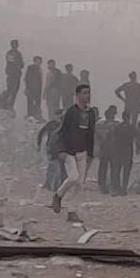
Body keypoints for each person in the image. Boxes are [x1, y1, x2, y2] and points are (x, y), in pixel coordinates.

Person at [52, 84, 96, 223]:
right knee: (73, 178)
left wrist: (90, 154)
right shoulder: (71, 112)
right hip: (69, 151)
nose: (86, 96)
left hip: (83, 152)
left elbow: (91, 134)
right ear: (77, 95)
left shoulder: (91, 113)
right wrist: (61, 150)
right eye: (84, 93)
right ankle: (58, 195)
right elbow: (62, 132)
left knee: (80, 184)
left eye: (88, 93)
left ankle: (72, 211)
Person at [110, 111, 136, 196]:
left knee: (116, 171)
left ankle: (116, 189)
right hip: (128, 152)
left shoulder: (117, 127)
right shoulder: (131, 128)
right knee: (126, 171)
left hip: (118, 151)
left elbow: (114, 139)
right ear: (129, 117)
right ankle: (124, 189)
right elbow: (136, 137)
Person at [38, 109, 64, 191]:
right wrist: (39, 145)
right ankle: (53, 186)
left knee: (56, 167)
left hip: (61, 149)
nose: (58, 117)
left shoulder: (64, 125)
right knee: (54, 167)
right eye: (58, 115)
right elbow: (41, 133)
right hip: (51, 148)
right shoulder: (51, 124)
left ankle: (53, 184)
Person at [96, 105, 120, 194]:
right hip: (114, 150)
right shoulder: (117, 124)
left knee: (103, 169)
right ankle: (114, 186)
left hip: (105, 149)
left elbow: (97, 138)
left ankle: (103, 186)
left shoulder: (100, 125)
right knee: (113, 169)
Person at [5, 40, 24, 110]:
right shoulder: (18, 54)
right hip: (16, 75)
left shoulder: (8, 53)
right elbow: (22, 64)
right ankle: (10, 105)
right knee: (14, 90)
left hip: (9, 74)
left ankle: (8, 104)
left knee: (10, 89)